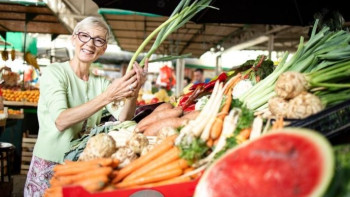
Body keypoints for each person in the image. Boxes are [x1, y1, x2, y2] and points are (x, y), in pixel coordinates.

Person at [23, 16, 148, 196]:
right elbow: (61, 121)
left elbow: (124, 118)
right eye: (84, 36)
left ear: (103, 49)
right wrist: (106, 97)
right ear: (74, 38)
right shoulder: (55, 73)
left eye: (98, 40)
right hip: (49, 164)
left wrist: (135, 90)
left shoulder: (101, 83)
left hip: (82, 165)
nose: (90, 43)